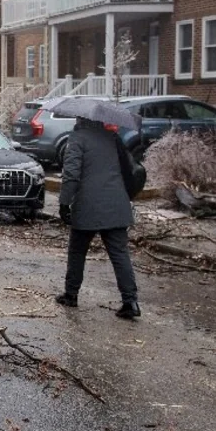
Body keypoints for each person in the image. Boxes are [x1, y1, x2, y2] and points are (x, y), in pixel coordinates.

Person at [55, 117, 140, 318]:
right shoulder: (113, 138)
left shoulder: (77, 138)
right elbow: (128, 169)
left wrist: (64, 202)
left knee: (77, 251)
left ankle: (71, 294)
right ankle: (131, 302)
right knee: (120, 254)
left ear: (80, 119)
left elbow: (72, 174)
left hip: (88, 205)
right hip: (116, 203)